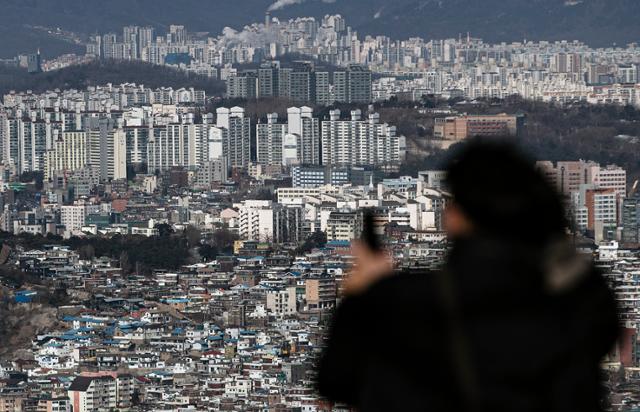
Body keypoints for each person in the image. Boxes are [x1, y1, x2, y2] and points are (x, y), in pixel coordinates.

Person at [317, 140, 619, 411]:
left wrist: (363, 297)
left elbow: (337, 380)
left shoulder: (416, 303)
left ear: (457, 217)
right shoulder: (579, 297)